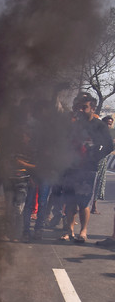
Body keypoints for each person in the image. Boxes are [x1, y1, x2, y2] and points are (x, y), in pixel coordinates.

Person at [60, 93, 113, 243]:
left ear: (93, 108)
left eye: (85, 107)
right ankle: (68, 230)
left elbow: (109, 145)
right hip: (71, 167)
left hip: (88, 168)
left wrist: (96, 155)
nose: (82, 110)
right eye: (80, 107)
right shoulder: (75, 124)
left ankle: (83, 231)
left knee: (84, 202)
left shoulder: (99, 125)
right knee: (70, 200)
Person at [90, 115, 115, 214]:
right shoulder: (96, 133)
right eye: (107, 123)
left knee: (99, 183)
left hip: (103, 161)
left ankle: (94, 206)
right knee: (92, 182)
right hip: (94, 161)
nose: (109, 126)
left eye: (110, 124)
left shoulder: (109, 134)